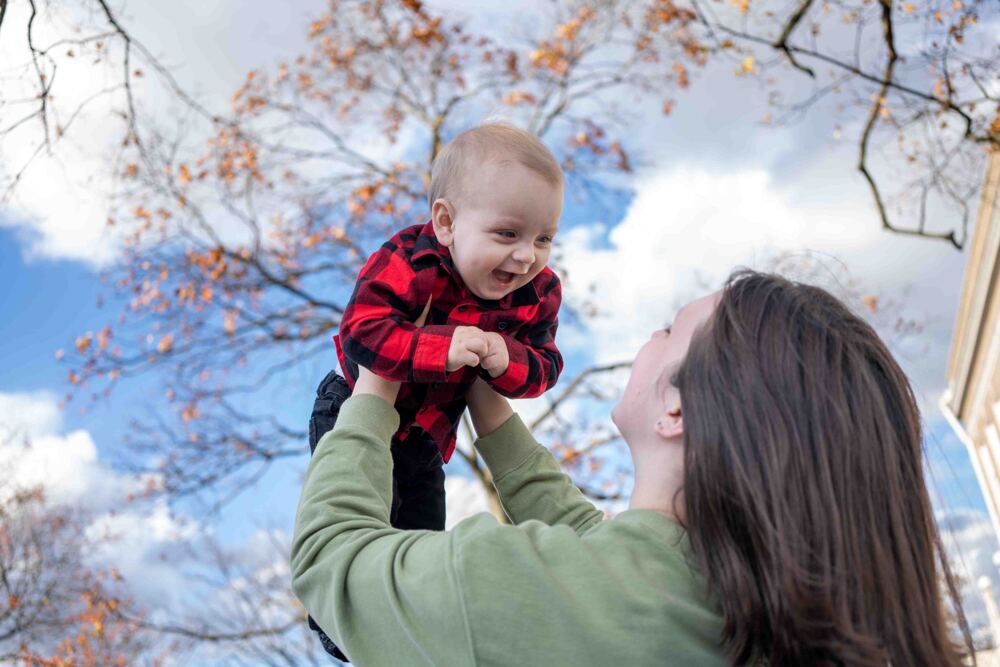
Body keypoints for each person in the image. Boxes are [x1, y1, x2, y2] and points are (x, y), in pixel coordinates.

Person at [291, 270, 973, 666]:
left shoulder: (525, 589)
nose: (652, 337)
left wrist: (382, 371)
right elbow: (599, 553)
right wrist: (483, 400)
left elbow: (330, 561)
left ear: (677, 407)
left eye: (671, 329)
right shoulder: (742, 607)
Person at [305, 122, 565, 658]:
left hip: (427, 438)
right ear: (446, 222)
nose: (526, 256)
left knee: (420, 539)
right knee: (361, 513)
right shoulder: (409, 260)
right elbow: (362, 332)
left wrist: (504, 356)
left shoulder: (538, 292)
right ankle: (340, 618)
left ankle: (400, 631)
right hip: (355, 410)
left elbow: (544, 368)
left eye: (543, 238)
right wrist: (437, 346)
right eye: (507, 234)